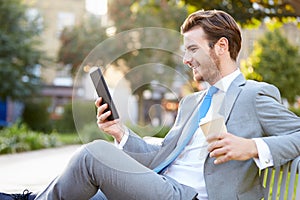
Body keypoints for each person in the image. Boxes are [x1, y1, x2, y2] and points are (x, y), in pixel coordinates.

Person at [1, 9, 300, 200]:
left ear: (220, 46)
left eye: (193, 48)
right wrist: (121, 134)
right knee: (92, 193)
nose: (185, 59)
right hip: (162, 186)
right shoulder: (192, 102)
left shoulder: (254, 94)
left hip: (194, 196)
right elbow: (164, 155)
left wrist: (254, 147)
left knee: (95, 155)